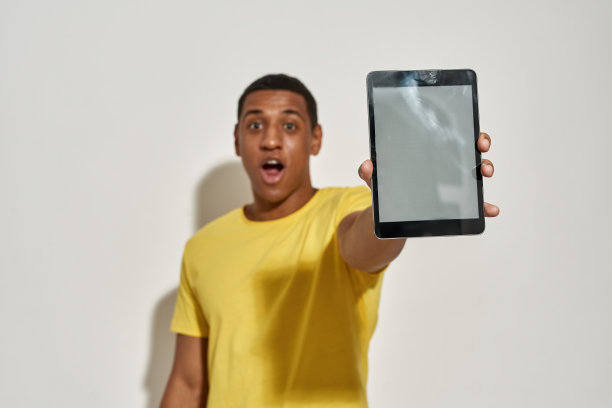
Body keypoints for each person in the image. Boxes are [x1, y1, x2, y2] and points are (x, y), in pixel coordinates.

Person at [160, 74, 499, 408]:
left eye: (289, 125)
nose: (271, 140)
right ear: (237, 140)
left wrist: (397, 200)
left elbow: (364, 248)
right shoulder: (202, 247)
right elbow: (187, 385)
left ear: (315, 139)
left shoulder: (347, 208)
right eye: (255, 125)